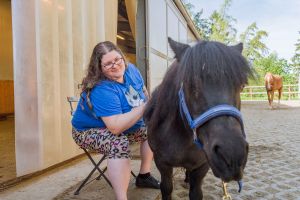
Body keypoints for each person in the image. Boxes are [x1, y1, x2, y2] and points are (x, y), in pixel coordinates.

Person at [71, 41, 160, 200]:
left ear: (122, 57)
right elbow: (115, 127)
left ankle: (144, 176)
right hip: (87, 131)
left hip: (122, 124)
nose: (115, 65)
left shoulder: (131, 69)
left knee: (153, 128)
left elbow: (143, 90)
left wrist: (151, 109)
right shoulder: (101, 88)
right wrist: (145, 108)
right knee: (117, 142)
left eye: (118, 59)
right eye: (108, 64)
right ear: (99, 68)